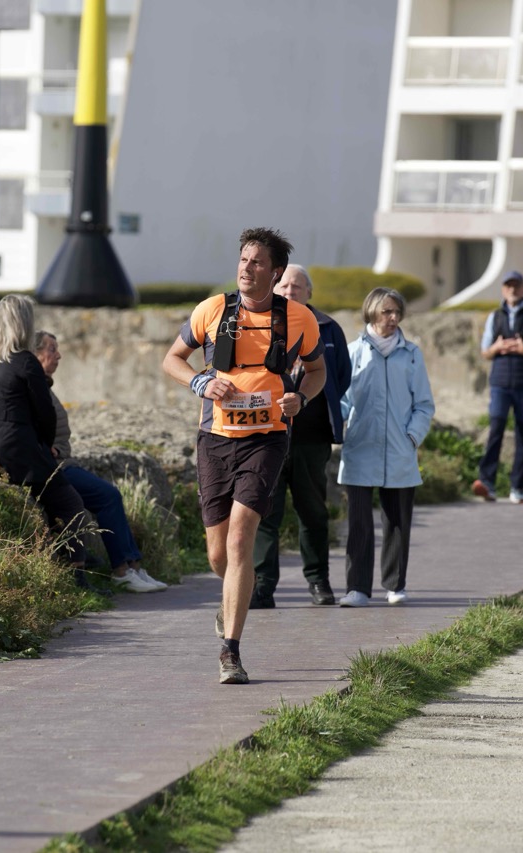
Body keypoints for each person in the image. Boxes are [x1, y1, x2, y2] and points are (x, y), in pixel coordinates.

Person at [162, 227, 324, 685]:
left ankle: (230, 651)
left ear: (275, 272)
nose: (246, 268)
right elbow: (172, 359)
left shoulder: (300, 318)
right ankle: (231, 598)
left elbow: (316, 371)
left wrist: (301, 399)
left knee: (240, 541)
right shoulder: (212, 310)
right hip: (215, 438)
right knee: (218, 553)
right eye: (243, 260)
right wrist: (200, 382)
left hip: (267, 439)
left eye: (257, 262)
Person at [0, 295, 92, 588]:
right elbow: (46, 416)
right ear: (25, 325)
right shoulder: (25, 362)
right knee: (69, 503)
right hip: (15, 453)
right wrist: (45, 447)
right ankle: (76, 577)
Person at [34, 330, 167, 593]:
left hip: (62, 463)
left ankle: (133, 566)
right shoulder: (34, 388)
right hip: (54, 468)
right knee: (107, 496)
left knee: (110, 495)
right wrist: (51, 449)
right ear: (36, 354)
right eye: (52, 349)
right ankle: (122, 571)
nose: (58, 355)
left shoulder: (43, 386)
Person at [251, 264, 351, 608]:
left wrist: (307, 399)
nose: (289, 291)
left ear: (309, 293)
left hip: (311, 437)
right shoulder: (260, 322)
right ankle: (262, 586)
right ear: (273, 289)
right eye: (283, 286)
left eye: (297, 287)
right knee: (266, 513)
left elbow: (340, 377)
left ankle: (318, 581)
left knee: (313, 512)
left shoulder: (328, 328)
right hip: (266, 436)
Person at [336, 287, 434, 608]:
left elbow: (424, 405)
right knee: (359, 524)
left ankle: (395, 585)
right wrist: (335, 428)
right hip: (360, 448)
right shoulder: (352, 352)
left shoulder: (412, 354)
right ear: (372, 312)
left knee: (397, 522)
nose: (393, 318)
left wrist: (411, 437)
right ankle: (357, 589)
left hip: (400, 450)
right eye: (386, 311)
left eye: (397, 312)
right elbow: (342, 401)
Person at [471, 270, 523, 504]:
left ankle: (518, 487)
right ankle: (487, 482)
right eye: (508, 286)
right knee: (495, 429)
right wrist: (496, 348)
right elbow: (485, 352)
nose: (512, 290)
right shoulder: (494, 317)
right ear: (503, 289)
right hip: (500, 383)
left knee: (522, 434)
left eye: (516, 286)